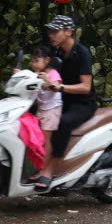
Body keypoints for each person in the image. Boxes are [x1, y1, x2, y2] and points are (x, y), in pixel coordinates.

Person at [31, 15, 95, 191]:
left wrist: (59, 87)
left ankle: (50, 171)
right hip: (60, 100)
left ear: (69, 32)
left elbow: (85, 87)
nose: (51, 35)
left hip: (83, 103)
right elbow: (43, 71)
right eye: (50, 31)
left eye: (55, 31)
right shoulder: (57, 52)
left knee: (63, 123)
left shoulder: (82, 53)